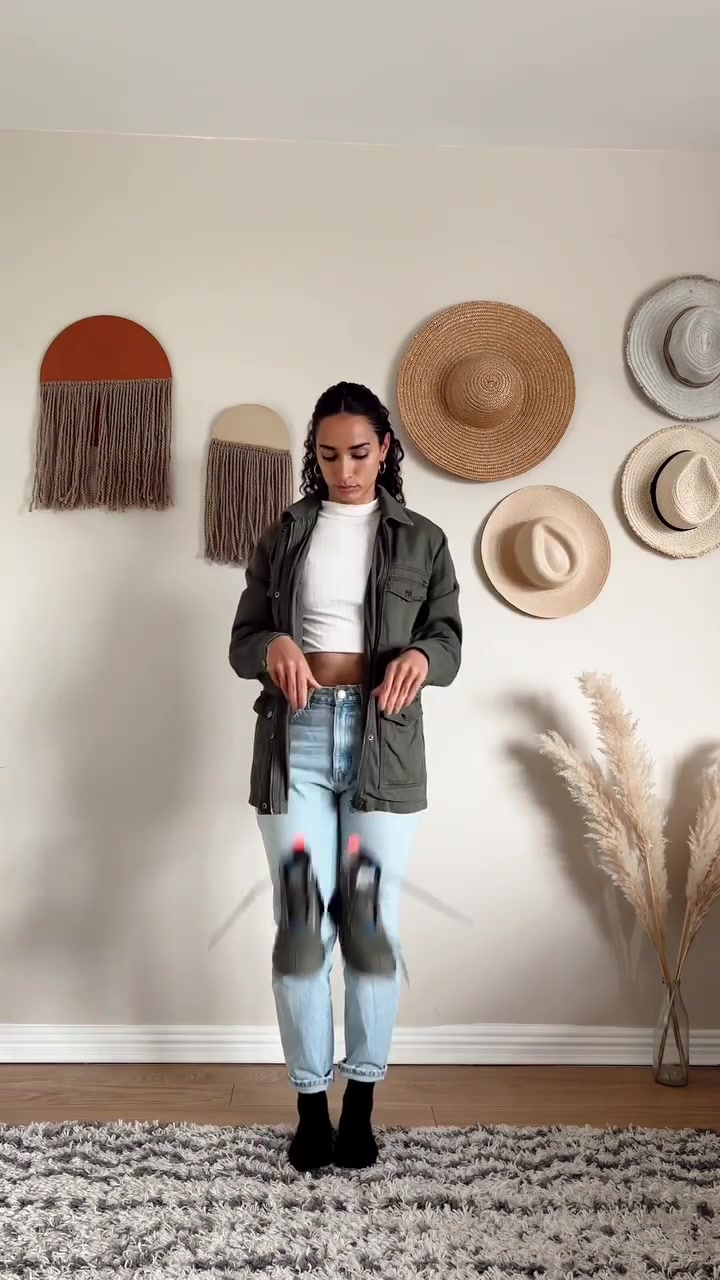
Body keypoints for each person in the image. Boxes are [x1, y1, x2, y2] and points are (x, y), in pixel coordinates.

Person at [229, 382, 462, 1172]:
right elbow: (242, 640)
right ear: (314, 457)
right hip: (293, 742)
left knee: (365, 927)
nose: (345, 470)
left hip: (382, 749)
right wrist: (272, 646)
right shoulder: (285, 534)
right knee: (301, 926)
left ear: (385, 448)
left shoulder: (423, 541)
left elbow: (448, 639)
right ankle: (309, 1106)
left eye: (359, 453)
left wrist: (424, 655)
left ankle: (359, 1105)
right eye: (328, 456)